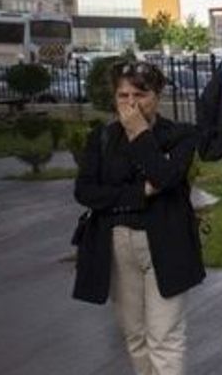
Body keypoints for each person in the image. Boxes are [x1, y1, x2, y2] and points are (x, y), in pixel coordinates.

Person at [73, 61, 205, 375]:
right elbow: (86, 191)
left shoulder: (180, 135)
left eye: (140, 95)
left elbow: (166, 177)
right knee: (135, 335)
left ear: (157, 95)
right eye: (123, 95)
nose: (131, 104)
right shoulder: (103, 138)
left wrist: (139, 133)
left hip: (167, 241)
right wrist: (140, 192)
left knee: (164, 335)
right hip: (117, 242)